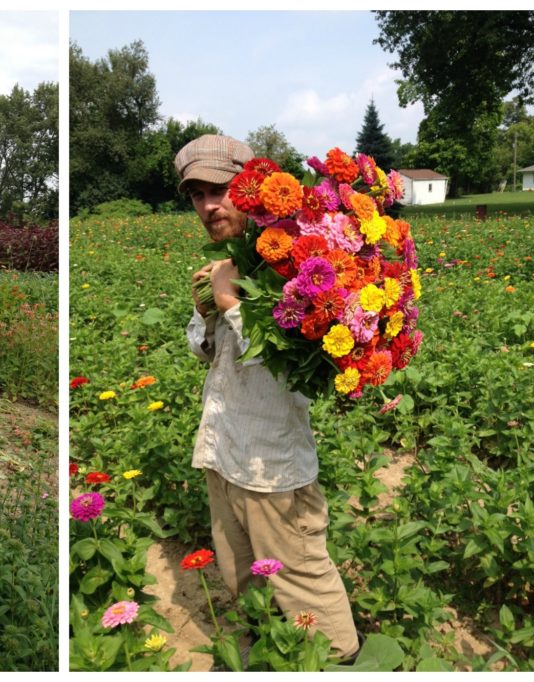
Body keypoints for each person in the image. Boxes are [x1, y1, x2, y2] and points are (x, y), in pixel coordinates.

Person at [175, 135, 360, 662]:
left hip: (272, 465)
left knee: (303, 577)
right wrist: (208, 312)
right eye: (196, 195)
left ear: (251, 189)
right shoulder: (227, 263)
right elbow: (204, 352)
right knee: (241, 576)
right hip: (224, 450)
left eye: (221, 189)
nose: (209, 205)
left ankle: (344, 662)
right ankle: (266, 655)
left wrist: (231, 301)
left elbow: (296, 367)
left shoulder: (301, 264)